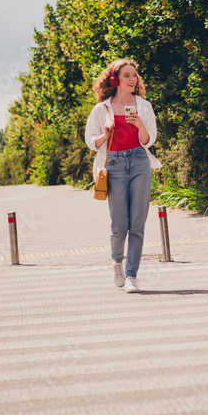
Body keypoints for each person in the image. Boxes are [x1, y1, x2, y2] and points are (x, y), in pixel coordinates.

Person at [85, 59, 161, 293]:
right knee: (119, 225)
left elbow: (150, 140)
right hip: (115, 165)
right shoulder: (102, 109)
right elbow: (90, 141)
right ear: (114, 79)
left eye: (134, 75)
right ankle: (116, 262)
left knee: (137, 223)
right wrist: (105, 134)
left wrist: (140, 126)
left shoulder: (144, 106)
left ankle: (131, 276)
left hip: (139, 162)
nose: (132, 79)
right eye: (126, 75)